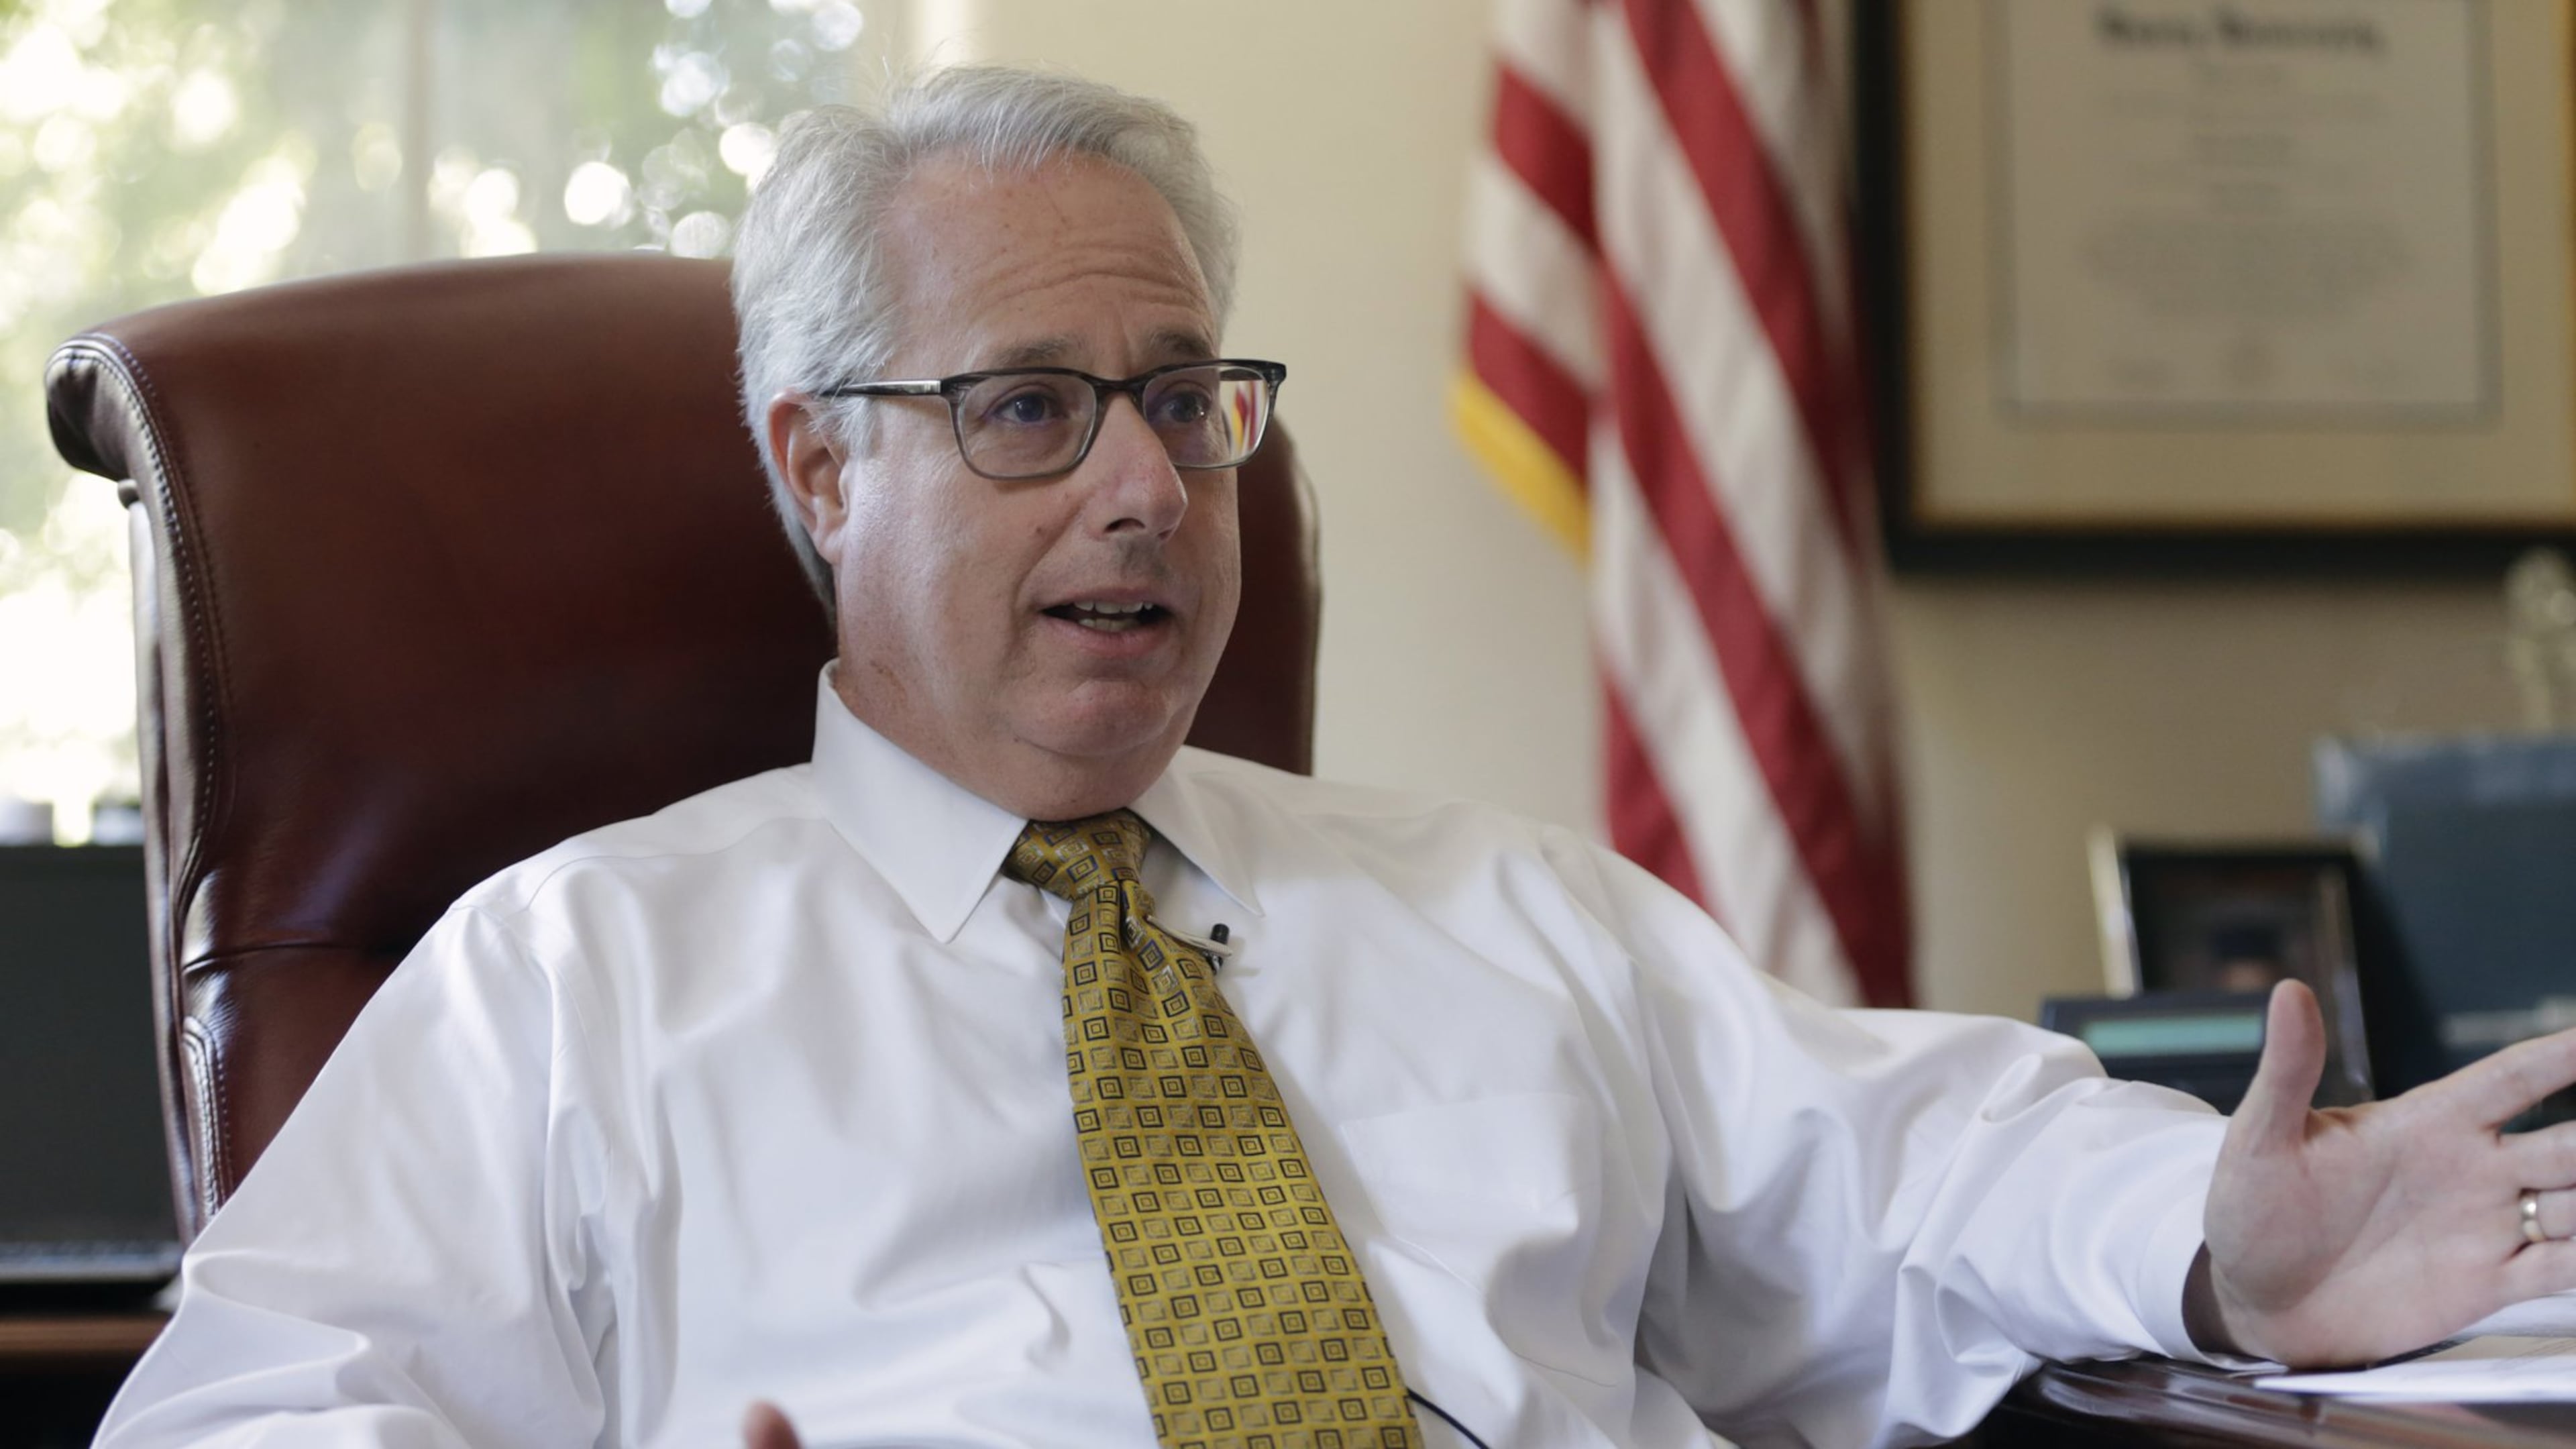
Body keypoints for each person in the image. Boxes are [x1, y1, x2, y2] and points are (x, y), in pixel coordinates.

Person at [95, 65, 2576, 1449]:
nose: (1155, 487)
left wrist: (2207, 1244)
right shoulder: (577, 980)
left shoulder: (1499, 909)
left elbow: (1904, 1155)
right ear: (823, 468)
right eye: (1034, 411)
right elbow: (246, 1426)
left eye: (1189, 402)